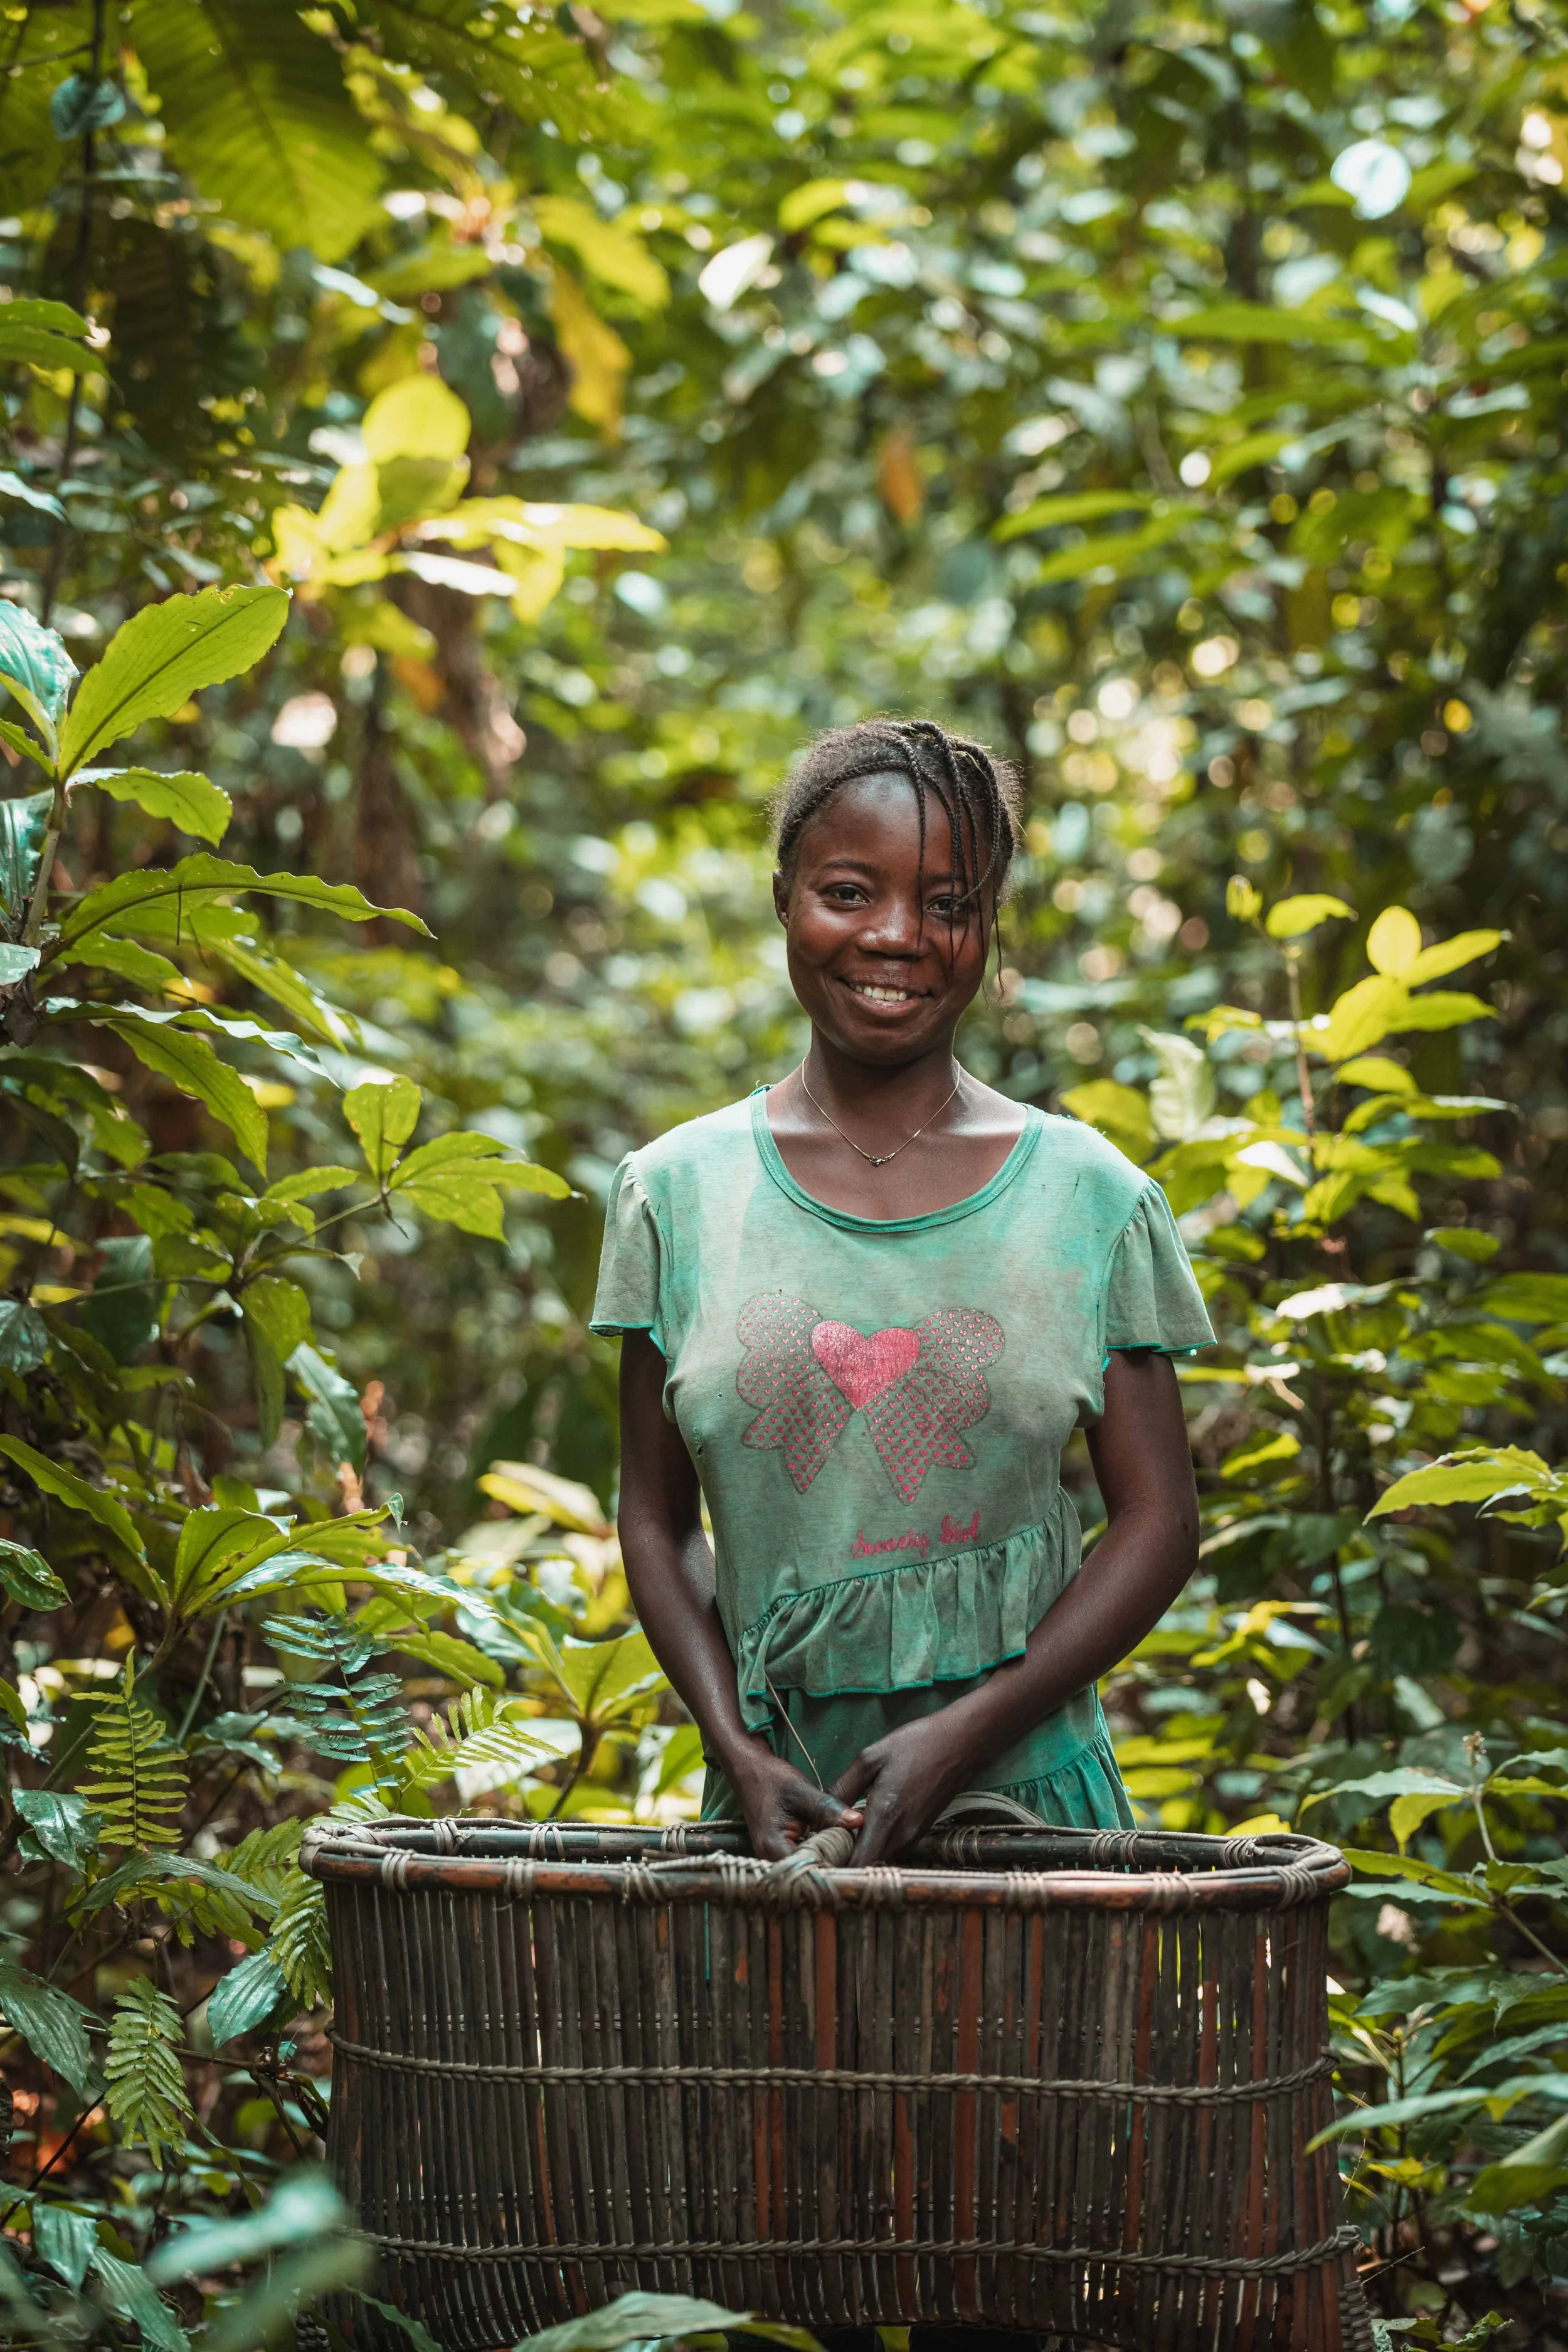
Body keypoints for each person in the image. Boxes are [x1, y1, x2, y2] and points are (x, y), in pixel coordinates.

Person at [593, 716, 1212, 1864]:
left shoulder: (1090, 1197)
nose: (896, 936)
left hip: (1030, 1826)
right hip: (776, 1830)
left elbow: (1161, 1523)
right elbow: (657, 1518)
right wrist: (735, 1745)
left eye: (947, 903)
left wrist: (968, 1735)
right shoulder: (675, 1194)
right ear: (784, 900)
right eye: (849, 892)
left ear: (987, 926)